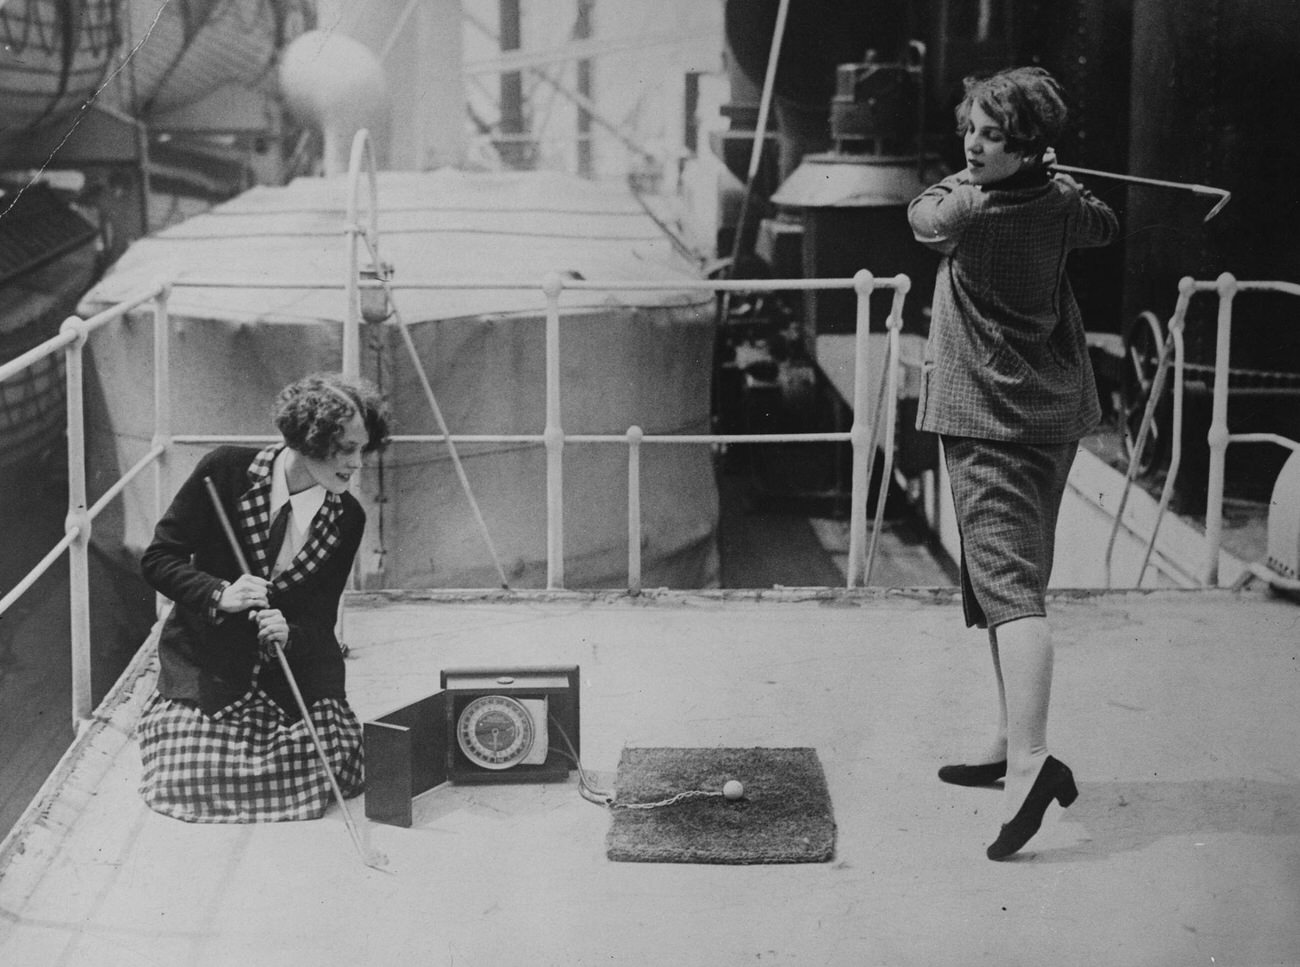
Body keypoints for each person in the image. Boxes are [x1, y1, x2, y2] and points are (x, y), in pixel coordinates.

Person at [907, 67, 1118, 859]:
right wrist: (1051, 178)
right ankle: (1007, 741)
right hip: (1053, 415)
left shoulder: (966, 207)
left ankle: (1032, 761)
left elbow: (923, 214)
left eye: (992, 135)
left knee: (1014, 592)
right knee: (1008, 582)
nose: (973, 144)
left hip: (989, 423)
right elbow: (1102, 226)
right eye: (972, 130)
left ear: (1024, 144)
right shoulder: (1061, 202)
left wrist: (969, 178)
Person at [137, 372, 390, 823]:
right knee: (187, 774)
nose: (357, 465)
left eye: (362, 450)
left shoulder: (347, 517)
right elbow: (159, 559)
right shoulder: (224, 470)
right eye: (347, 449)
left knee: (332, 762)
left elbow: (319, 621)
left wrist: (289, 633)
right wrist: (219, 593)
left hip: (288, 674)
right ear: (309, 439)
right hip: (208, 664)